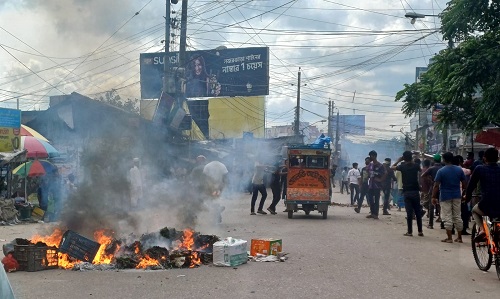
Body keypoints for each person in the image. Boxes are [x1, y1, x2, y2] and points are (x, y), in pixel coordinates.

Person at [431, 152, 467, 243]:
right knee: (457, 216)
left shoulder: (441, 171)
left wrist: (433, 197)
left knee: (447, 217)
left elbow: (436, 185)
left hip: (445, 196)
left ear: (444, 159)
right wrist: (463, 193)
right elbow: (464, 182)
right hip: (457, 195)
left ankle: (449, 237)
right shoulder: (459, 170)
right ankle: (459, 237)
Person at [465, 148, 500, 242]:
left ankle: (482, 229)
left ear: (484, 158)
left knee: (474, 211)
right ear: (497, 158)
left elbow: (471, 186)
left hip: (487, 203)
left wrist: (467, 198)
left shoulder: (480, 169)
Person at [392, 151, 424, 237]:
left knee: (409, 212)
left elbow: (392, 167)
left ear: (404, 158)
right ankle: (420, 231)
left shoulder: (402, 167)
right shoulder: (416, 166)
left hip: (406, 191)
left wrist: (399, 160)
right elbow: (421, 171)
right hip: (415, 191)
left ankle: (409, 232)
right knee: (417, 211)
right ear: (411, 157)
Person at [421, 154, 444, 229]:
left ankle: (430, 224)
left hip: (433, 188)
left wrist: (431, 181)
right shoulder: (443, 168)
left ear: (434, 160)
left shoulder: (431, 168)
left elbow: (423, 175)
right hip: (442, 188)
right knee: (442, 205)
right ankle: (442, 223)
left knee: (431, 206)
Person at [366, 150, 386, 219]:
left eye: (371, 156)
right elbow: (368, 171)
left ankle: (376, 214)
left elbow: (385, 173)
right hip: (371, 185)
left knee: (376, 200)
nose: (370, 157)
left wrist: (380, 180)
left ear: (374, 156)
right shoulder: (370, 165)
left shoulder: (380, 165)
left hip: (377, 185)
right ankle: (372, 213)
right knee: (370, 200)